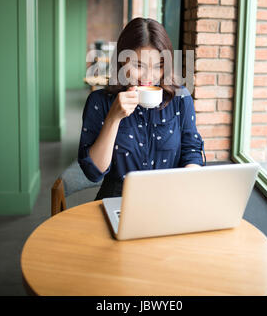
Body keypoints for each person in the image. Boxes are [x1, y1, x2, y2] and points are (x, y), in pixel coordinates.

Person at [77, 17, 206, 200]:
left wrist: (185, 183)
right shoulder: (99, 101)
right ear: (122, 61)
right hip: (118, 200)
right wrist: (113, 118)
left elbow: (191, 151)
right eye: (138, 65)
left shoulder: (180, 98)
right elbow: (94, 172)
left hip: (169, 198)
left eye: (158, 66)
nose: (148, 76)